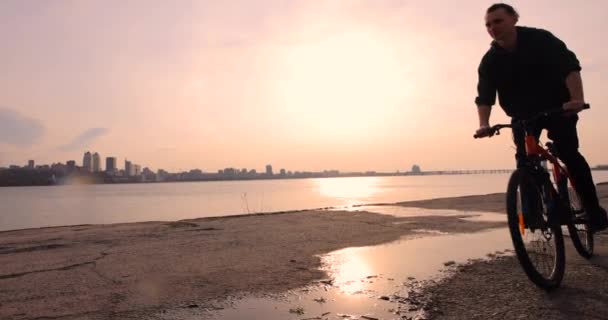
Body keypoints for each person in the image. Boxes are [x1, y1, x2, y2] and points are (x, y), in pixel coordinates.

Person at [474, 3, 608, 232]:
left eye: (498, 21)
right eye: (488, 24)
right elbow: (485, 96)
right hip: (522, 115)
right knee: (525, 161)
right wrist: (484, 124)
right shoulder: (490, 61)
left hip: (557, 107)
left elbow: (570, 68)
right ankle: (534, 215)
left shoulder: (541, 40)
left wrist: (576, 99)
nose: (493, 27)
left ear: (514, 19)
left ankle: (594, 211)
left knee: (568, 153)